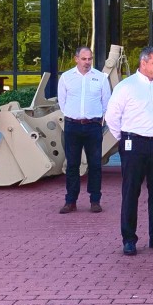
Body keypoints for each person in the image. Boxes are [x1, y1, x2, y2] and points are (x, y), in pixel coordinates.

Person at [105, 46, 153, 256]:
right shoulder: (126, 87)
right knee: (130, 193)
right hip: (134, 144)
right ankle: (129, 239)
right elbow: (111, 117)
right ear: (143, 63)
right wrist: (125, 138)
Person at [56, 46, 111, 214]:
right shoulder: (66, 78)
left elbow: (106, 102)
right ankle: (70, 201)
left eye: (90, 59)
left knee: (95, 165)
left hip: (93, 126)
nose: (87, 62)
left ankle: (95, 200)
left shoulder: (101, 78)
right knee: (72, 165)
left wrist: (97, 119)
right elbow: (62, 102)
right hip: (72, 126)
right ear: (76, 59)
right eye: (84, 59)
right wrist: (73, 116)